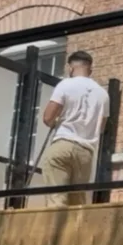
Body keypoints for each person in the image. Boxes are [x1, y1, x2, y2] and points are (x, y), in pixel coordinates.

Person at [38, 50, 109, 207]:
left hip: (63, 144)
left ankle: (55, 231)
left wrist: (56, 123)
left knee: (56, 199)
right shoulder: (103, 94)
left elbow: (48, 117)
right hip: (85, 152)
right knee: (77, 203)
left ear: (70, 68)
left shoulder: (65, 84)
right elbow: (101, 128)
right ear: (90, 69)